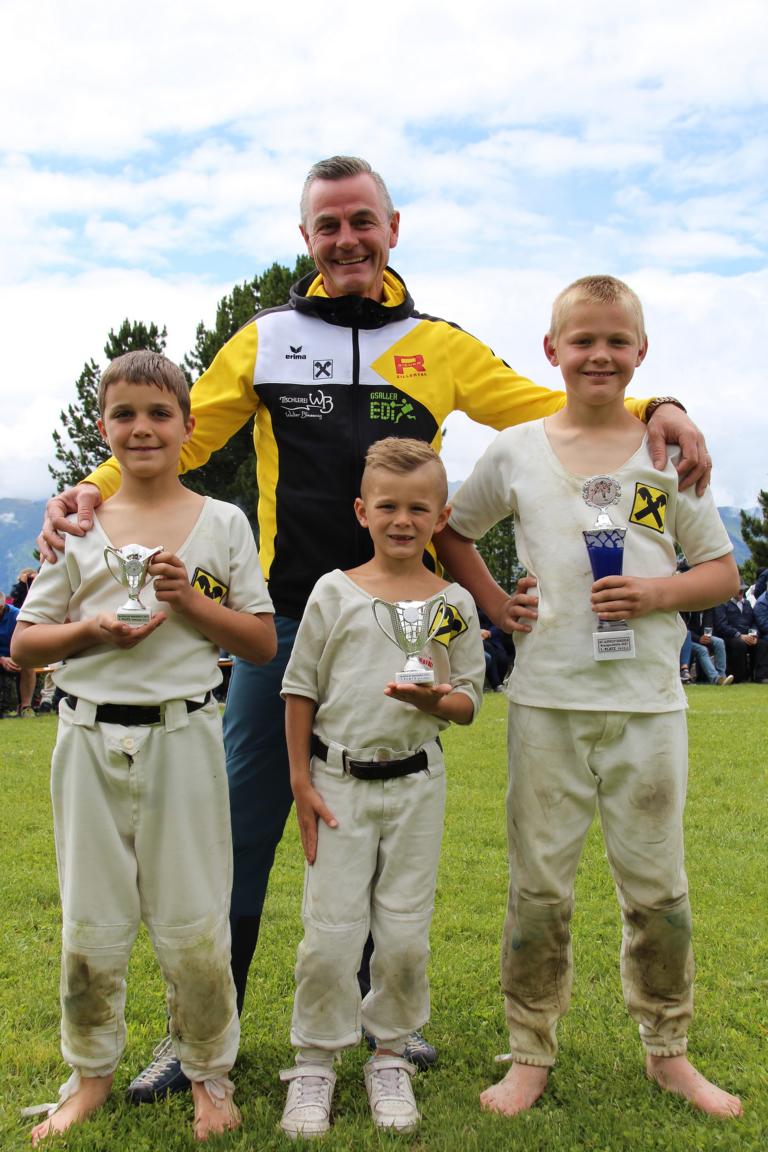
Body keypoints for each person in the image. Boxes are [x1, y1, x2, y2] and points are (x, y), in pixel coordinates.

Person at [36, 156, 712, 1097]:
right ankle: (197, 1037)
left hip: (402, 630)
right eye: (328, 226)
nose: (347, 239)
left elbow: (548, 401)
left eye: (363, 221)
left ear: (394, 227)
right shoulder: (264, 338)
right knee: (241, 837)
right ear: (305, 239)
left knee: (377, 822)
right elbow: (175, 440)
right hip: (279, 627)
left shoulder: (438, 344)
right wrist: (89, 487)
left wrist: (660, 405)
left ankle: (378, 1030)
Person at [436, 275, 742, 1119]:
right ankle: (530, 1052)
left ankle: (669, 1051)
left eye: (617, 342)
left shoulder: (665, 456)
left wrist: (656, 595)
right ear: (552, 351)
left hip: (647, 705)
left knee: (658, 889)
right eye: (583, 341)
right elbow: (453, 530)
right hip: (547, 701)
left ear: (641, 354)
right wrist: (497, 606)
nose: (599, 355)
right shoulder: (516, 451)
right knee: (538, 887)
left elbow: (722, 569)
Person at [12, 350, 277, 1143]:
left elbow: (262, 643)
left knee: (194, 917)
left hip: (184, 735)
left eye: (160, 414)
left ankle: (208, 1073)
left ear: (190, 429)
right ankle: (90, 1073)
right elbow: (27, 645)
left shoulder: (223, 523)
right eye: (124, 415)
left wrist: (189, 601)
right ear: (103, 429)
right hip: (87, 737)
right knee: (91, 917)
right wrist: (91, 634)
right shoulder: (81, 527)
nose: (142, 428)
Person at [279, 439, 484, 1137]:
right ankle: (313, 1061)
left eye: (418, 508)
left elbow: (468, 700)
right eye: (388, 506)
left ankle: (389, 1054)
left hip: (416, 787)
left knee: (402, 937)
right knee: (330, 937)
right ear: (362, 511)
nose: (403, 520)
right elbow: (299, 690)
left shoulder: (452, 602)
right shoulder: (333, 593)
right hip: (337, 784)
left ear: (440, 514)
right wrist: (301, 779)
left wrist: (434, 703)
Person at [713, 583, 768, 683]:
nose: (741, 592)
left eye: (742, 590)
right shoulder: (722, 604)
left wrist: (754, 634)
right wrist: (739, 635)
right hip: (730, 636)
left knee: (762, 643)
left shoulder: (746, 604)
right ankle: (740, 678)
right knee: (739, 644)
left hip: (747, 635)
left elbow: (754, 622)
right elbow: (721, 625)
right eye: (739, 590)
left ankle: (760, 676)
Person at [0, 596, 36, 717]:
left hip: (14, 655)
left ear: (1, 607)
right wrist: (1, 659)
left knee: (28, 664)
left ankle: (26, 707)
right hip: (1, 658)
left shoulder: (17, 615)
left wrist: (14, 657)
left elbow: (26, 640)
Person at [682, 609, 733, 685]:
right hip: (687, 640)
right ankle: (715, 678)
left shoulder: (708, 609)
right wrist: (699, 639)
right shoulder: (687, 609)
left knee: (719, 642)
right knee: (702, 650)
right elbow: (685, 630)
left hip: (701, 636)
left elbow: (708, 627)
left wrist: (705, 637)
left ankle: (722, 676)